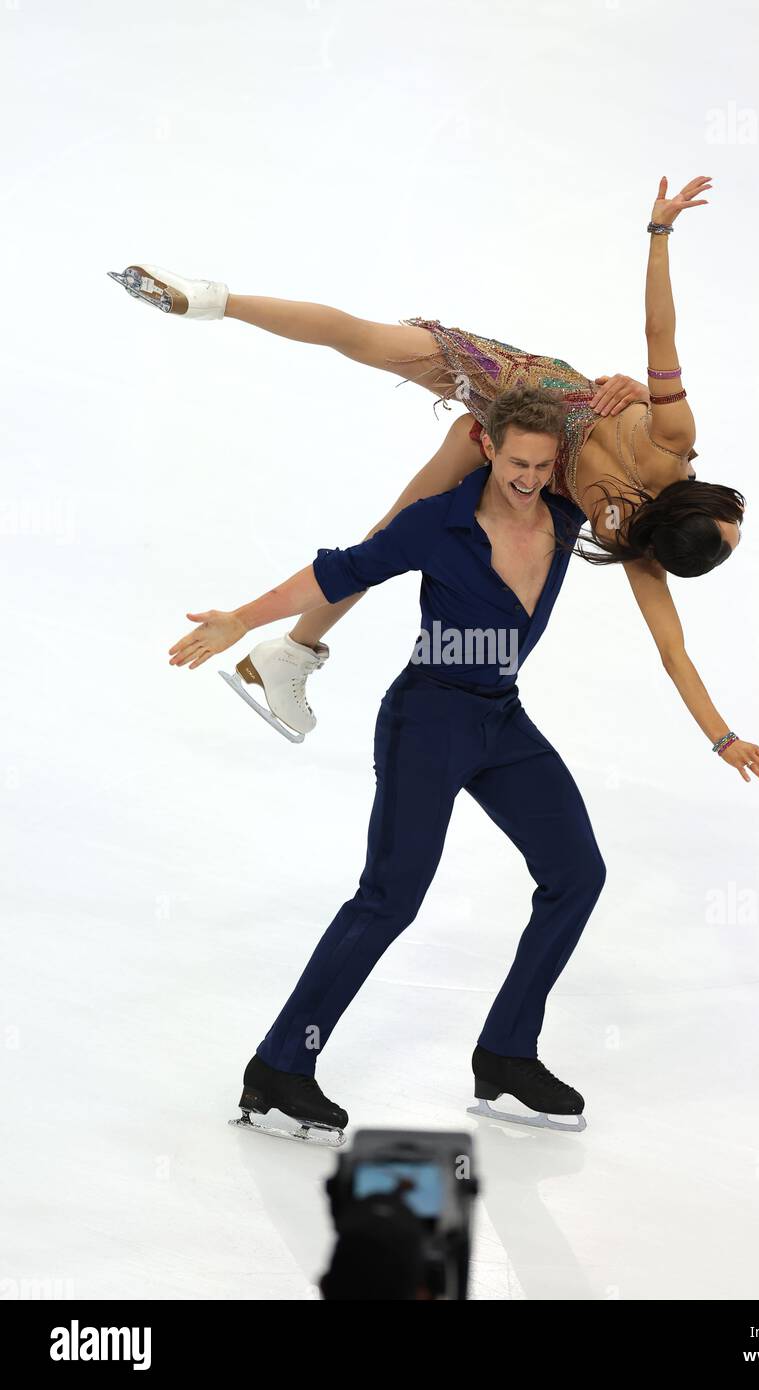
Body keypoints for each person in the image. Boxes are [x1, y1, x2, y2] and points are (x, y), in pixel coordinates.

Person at [114, 177, 759, 774]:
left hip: (522, 387)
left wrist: (659, 232)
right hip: (504, 452)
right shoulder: (632, 545)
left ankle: (216, 301)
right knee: (381, 545)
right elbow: (674, 655)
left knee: (360, 337)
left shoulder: (671, 439)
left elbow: (658, 329)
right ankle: (289, 654)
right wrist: (724, 739)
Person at [173, 388, 611, 1140]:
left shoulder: (567, 517)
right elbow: (338, 574)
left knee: (577, 873)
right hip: (429, 717)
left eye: (543, 466)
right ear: (486, 445)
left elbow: (647, 467)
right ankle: (281, 1067)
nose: (529, 478)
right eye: (516, 462)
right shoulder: (437, 525)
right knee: (389, 898)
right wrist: (244, 620)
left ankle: (507, 1052)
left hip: (502, 720)